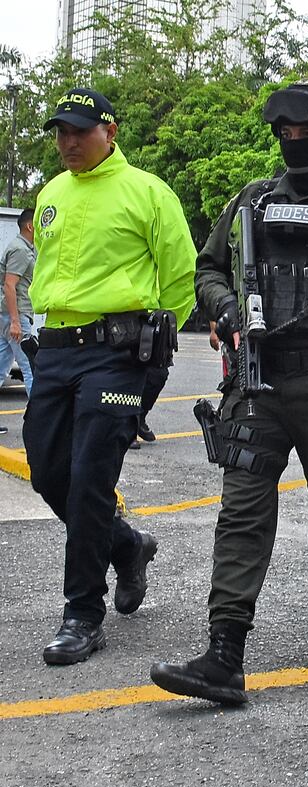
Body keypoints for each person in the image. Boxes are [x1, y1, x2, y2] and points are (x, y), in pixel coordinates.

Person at [150, 77, 308, 703]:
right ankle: (224, 653)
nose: (295, 143)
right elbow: (208, 268)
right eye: (286, 133)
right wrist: (225, 308)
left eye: (306, 132)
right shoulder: (252, 200)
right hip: (258, 381)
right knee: (241, 514)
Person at [25, 87, 195, 664]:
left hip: (117, 353)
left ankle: (81, 615)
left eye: (79, 131)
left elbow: (180, 278)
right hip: (56, 349)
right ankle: (127, 544)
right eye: (60, 132)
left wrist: (151, 351)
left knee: (90, 475)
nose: (68, 142)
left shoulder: (148, 192)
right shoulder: (52, 193)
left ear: (110, 131)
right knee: (48, 471)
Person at [1, 207, 36, 397]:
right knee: (30, 368)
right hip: (16, 316)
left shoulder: (20, 247)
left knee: (0, 367)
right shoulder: (21, 250)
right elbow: (9, 285)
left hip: (7, 316)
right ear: (30, 226)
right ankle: (39, 424)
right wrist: (15, 321)